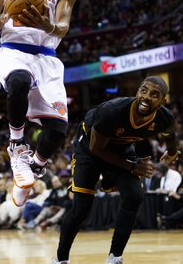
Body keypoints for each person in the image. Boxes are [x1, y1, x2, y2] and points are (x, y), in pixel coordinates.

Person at [0, 0, 78, 207]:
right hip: (13, 50)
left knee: (58, 132)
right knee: (19, 82)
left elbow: (62, 27)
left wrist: (47, 24)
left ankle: (35, 166)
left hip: (46, 58)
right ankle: (16, 145)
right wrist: (6, 15)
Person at [50, 76, 181, 264]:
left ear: (162, 102)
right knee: (81, 207)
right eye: (143, 90)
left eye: (154, 94)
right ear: (137, 92)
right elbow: (97, 149)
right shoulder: (112, 111)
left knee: (135, 195)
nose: (146, 97)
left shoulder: (164, 118)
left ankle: (114, 257)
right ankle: (60, 259)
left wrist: (172, 152)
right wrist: (133, 166)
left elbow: (170, 135)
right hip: (89, 149)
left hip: (121, 150)